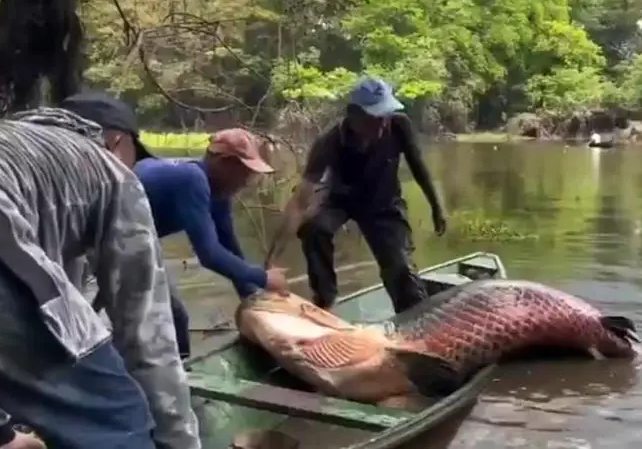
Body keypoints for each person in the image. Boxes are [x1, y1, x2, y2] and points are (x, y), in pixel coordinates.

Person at [0, 93, 199, 449]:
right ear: (118, 143)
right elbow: (148, 335)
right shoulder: (110, 170)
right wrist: (179, 441)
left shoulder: (3, 145)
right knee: (116, 417)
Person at [274, 77, 447, 313]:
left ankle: (412, 316)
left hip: (383, 203)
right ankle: (325, 300)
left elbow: (419, 167)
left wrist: (436, 206)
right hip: (339, 199)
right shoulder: (329, 142)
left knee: (400, 268)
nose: (382, 124)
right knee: (313, 228)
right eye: (374, 118)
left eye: (385, 115)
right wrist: (272, 261)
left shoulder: (399, 126)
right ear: (353, 115)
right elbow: (299, 202)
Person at [133, 127, 290, 357]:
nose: (247, 180)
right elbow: (209, 254)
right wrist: (263, 277)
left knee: (167, 315)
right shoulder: (192, 180)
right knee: (174, 317)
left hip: (140, 240)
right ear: (224, 162)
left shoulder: (217, 191)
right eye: (244, 170)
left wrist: (252, 296)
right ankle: (183, 378)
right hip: (114, 236)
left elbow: (227, 243)